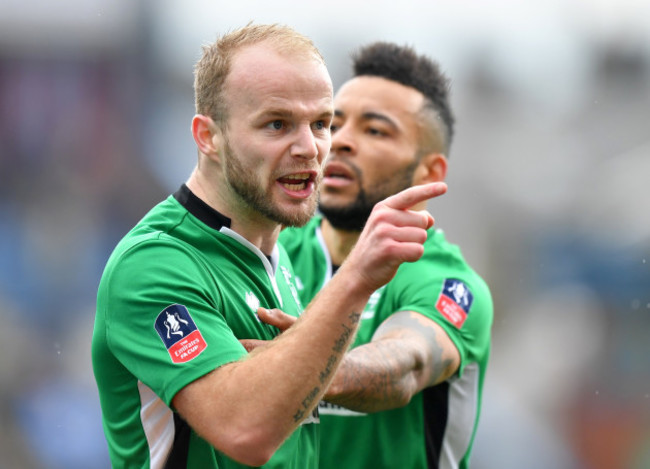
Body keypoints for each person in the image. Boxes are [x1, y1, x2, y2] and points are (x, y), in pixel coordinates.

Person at [91, 25, 447, 469]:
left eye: (320, 123)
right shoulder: (155, 264)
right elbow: (246, 430)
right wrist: (356, 278)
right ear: (208, 136)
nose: (310, 148)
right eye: (277, 124)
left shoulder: (279, 252)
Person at [257, 42, 493, 468]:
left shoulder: (446, 283)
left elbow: (404, 368)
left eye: (375, 130)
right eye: (333, 124)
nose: (339, 142)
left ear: (430, 172)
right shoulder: (271, 250)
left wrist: (297, 363)